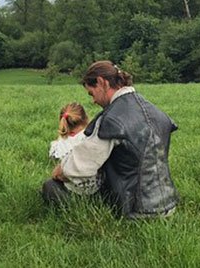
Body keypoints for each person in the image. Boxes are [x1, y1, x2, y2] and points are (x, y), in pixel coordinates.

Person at [42, 61, 178, 218]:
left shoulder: (111, 120)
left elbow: (80, 167)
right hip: (167, 205)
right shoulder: (155, 112)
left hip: (134, 210)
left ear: (101, 82)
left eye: (91, 93)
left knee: (50, 187)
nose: (93, 101)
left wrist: (60, 170)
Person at [47, 102, 102, 195]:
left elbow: (53, 153)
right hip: (96, 187)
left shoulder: (62, 143)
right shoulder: (92, 137)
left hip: (72, 189)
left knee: (49, 185)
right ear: (86, 119)